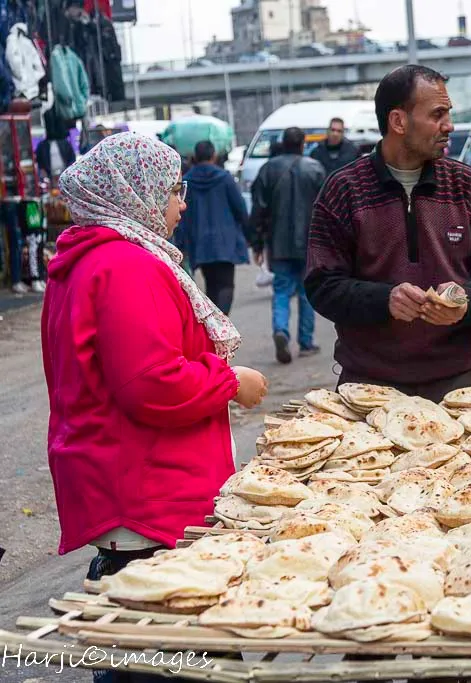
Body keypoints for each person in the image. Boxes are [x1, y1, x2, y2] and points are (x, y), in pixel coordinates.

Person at [41, 134, 268, 648]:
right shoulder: (126, 266)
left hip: (129, 479)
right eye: (172, 190)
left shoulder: (94, 258)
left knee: (136, 639)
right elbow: (149, 383)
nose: (182, 202)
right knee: (156, 644)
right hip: (145, 490)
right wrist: (230, 381)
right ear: (135, 192)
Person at [304, 64, 471, 403]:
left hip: (465, 382)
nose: (448, 125)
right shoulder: (343, 190)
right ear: (399, 121)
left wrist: (466, 300)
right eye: (437, 114)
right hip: (370, 388)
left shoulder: (467, 186)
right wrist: (384, 300)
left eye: (448, 114)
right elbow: (322, 285)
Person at [250, 127, 326, 364]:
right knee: (306, 292)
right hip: (309, 243)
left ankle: (281, 330)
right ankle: (306, 341)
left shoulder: (268, 169)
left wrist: (257, 243)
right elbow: (325, 209)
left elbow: (258, 210)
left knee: (281, 291)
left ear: (283, 143)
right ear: (303, 144)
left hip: (279, 244)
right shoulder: (314, 169)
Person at [176, 141, 250, 314]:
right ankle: (220, 323)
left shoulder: (188, 181)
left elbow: (183, 213)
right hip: (225, 241)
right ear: (214, 156)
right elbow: (240, 208)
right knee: (226, 285)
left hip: (200, 240)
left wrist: (181, 243)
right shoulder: (224, 178)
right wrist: (251, 235)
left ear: (195, 157)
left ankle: (213, 328)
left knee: (211, 284)